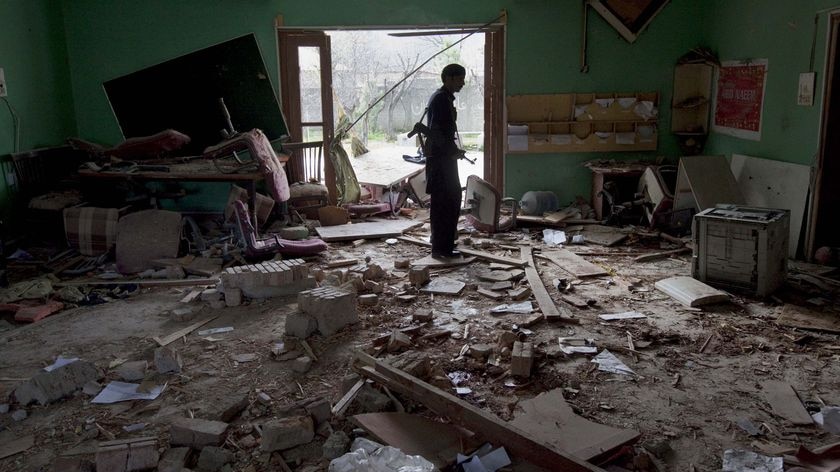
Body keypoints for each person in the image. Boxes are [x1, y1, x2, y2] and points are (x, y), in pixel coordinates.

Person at [425, 63, 466, 259]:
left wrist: (454, 150)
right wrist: (452, 151)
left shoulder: (443, 98)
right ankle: (442, 249)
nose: (463, 83)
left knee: (445, 201)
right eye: (460, 79)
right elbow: (437, 133)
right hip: (441, 161)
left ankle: (441, 244)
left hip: (443, 158)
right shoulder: (441, 99)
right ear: (448, 78)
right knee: (447, 201)